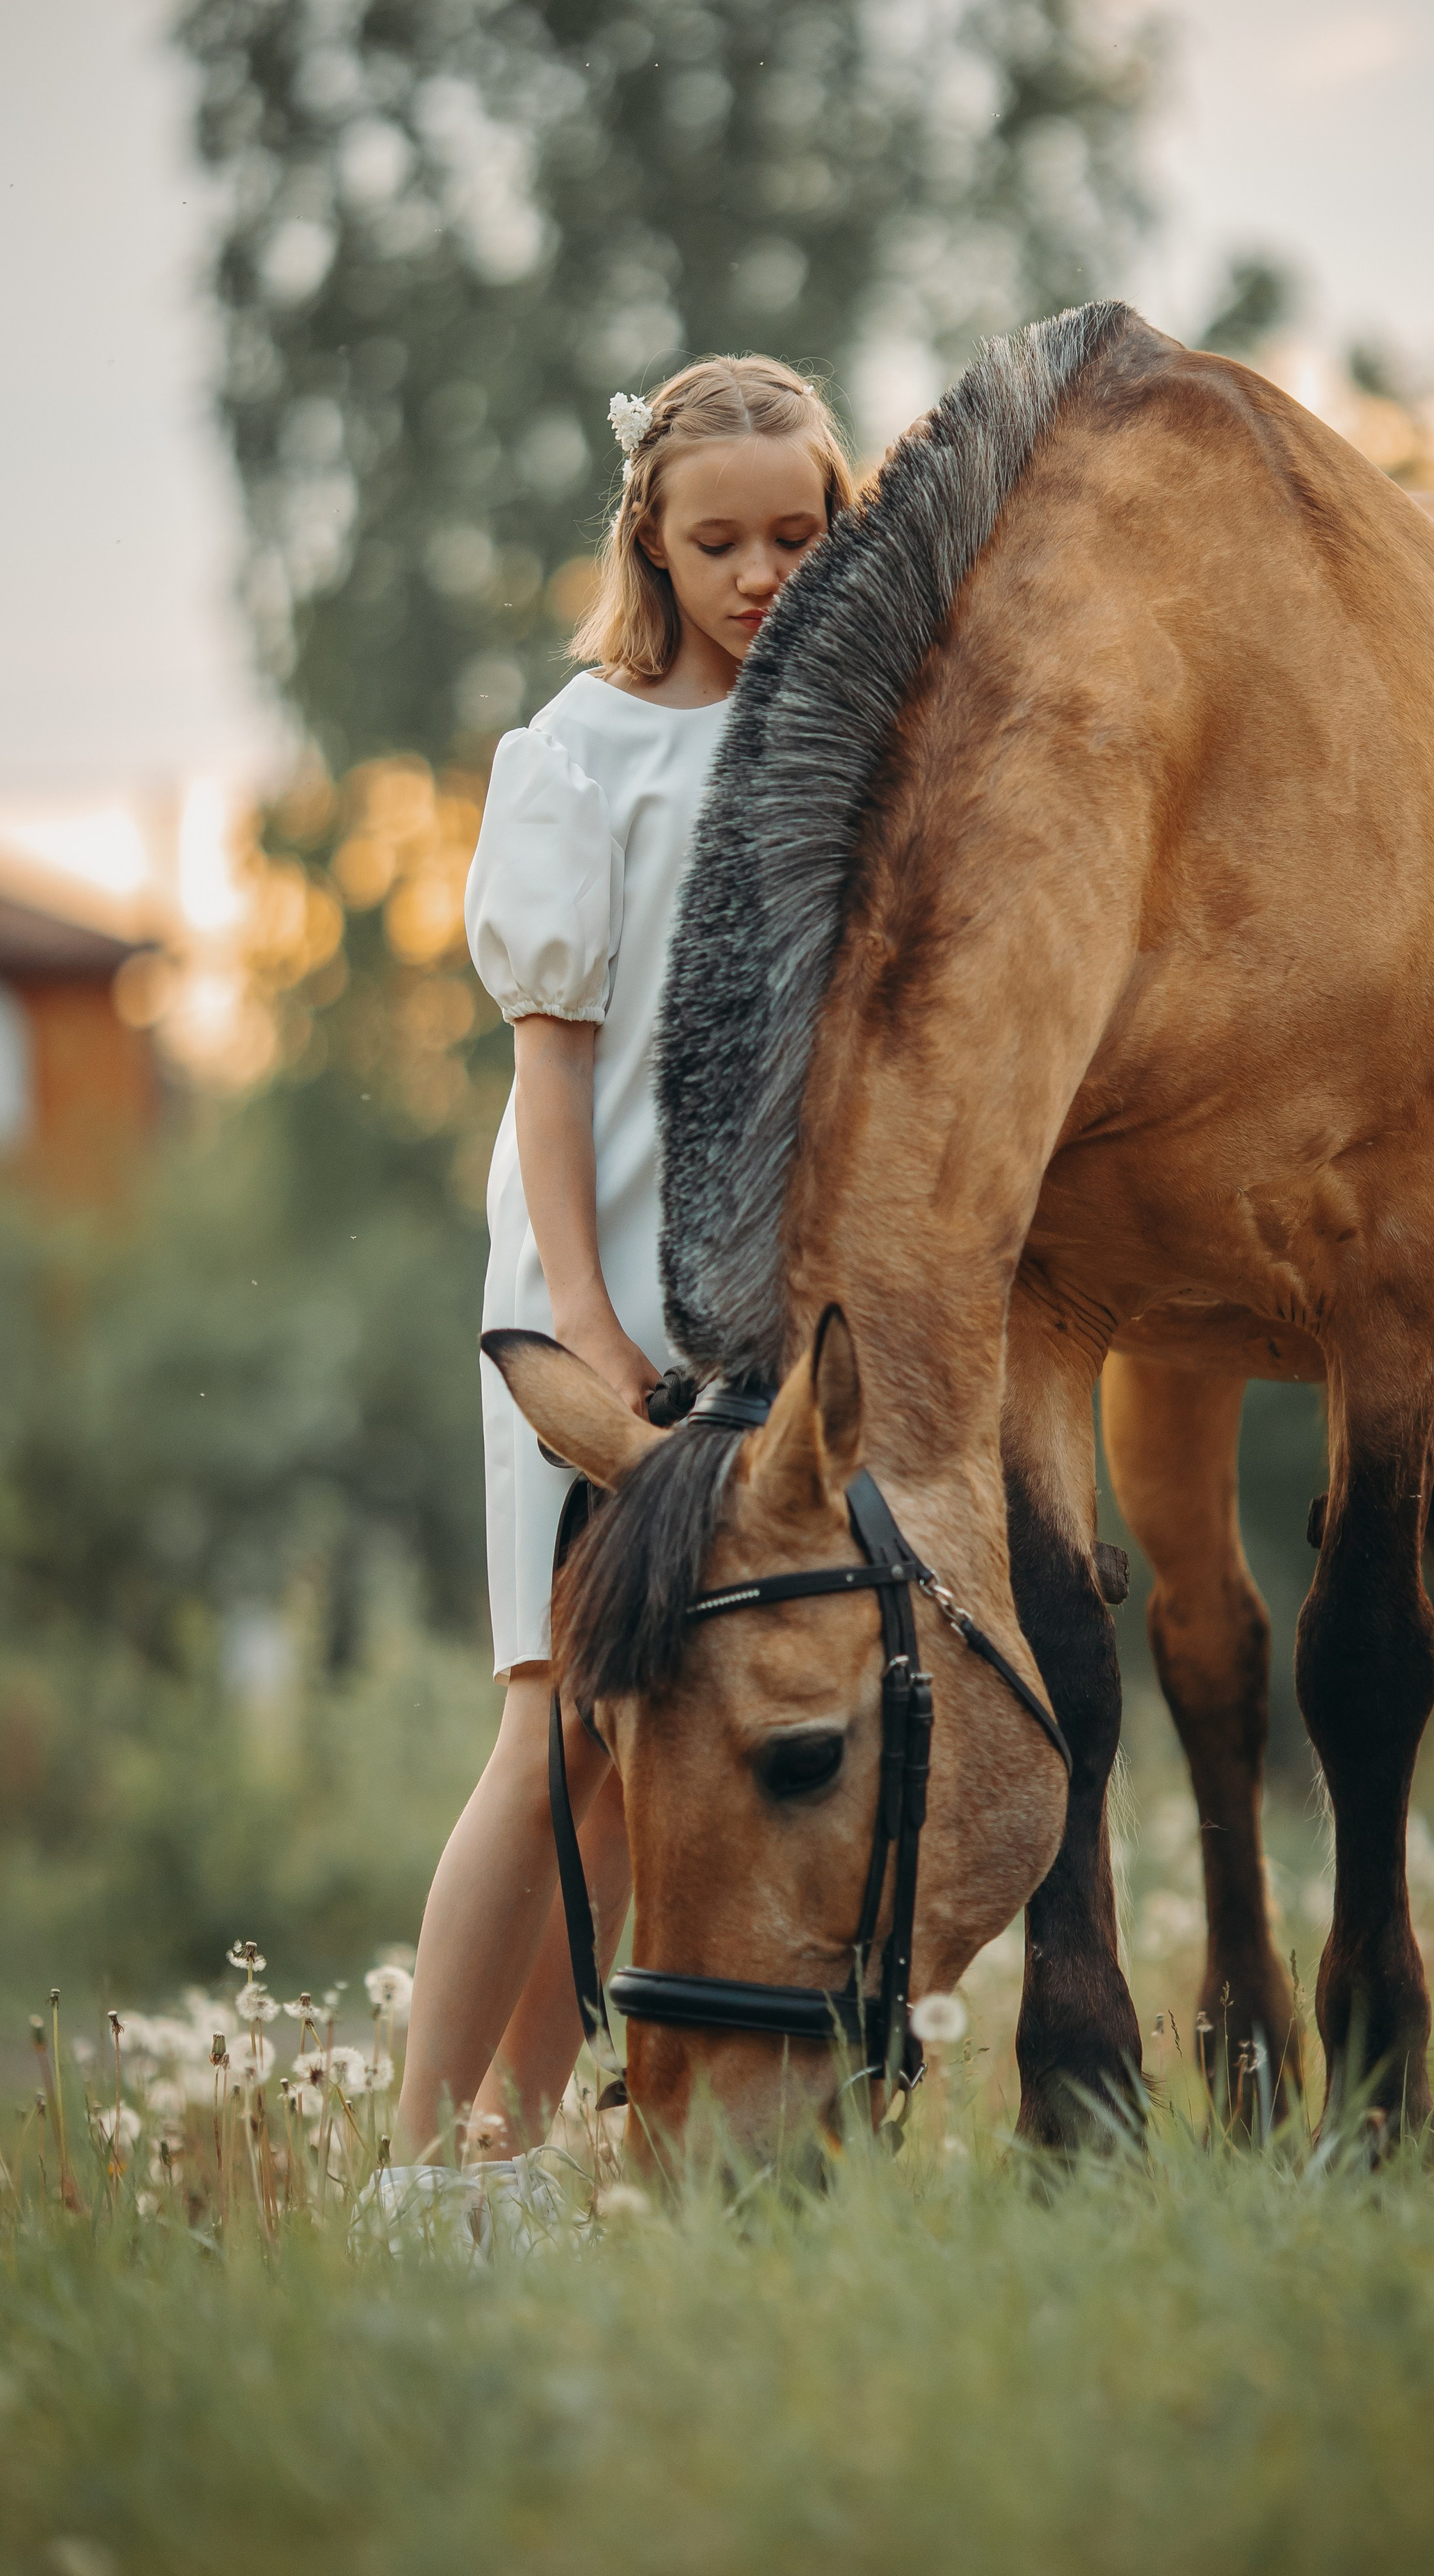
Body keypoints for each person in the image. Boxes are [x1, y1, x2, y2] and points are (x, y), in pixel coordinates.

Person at [394, 356, 857, 2163]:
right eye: (719, 540)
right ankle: (411, 2171)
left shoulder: (844, 741)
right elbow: (551, 1075)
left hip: (769, 1323)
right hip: (590, 1305)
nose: (761, 574)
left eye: (796, 535)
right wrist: (586, 1323)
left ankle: (522, 2155)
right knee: (549, 1732)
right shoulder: (575, 755)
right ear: (650, 540)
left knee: (643, 1751)